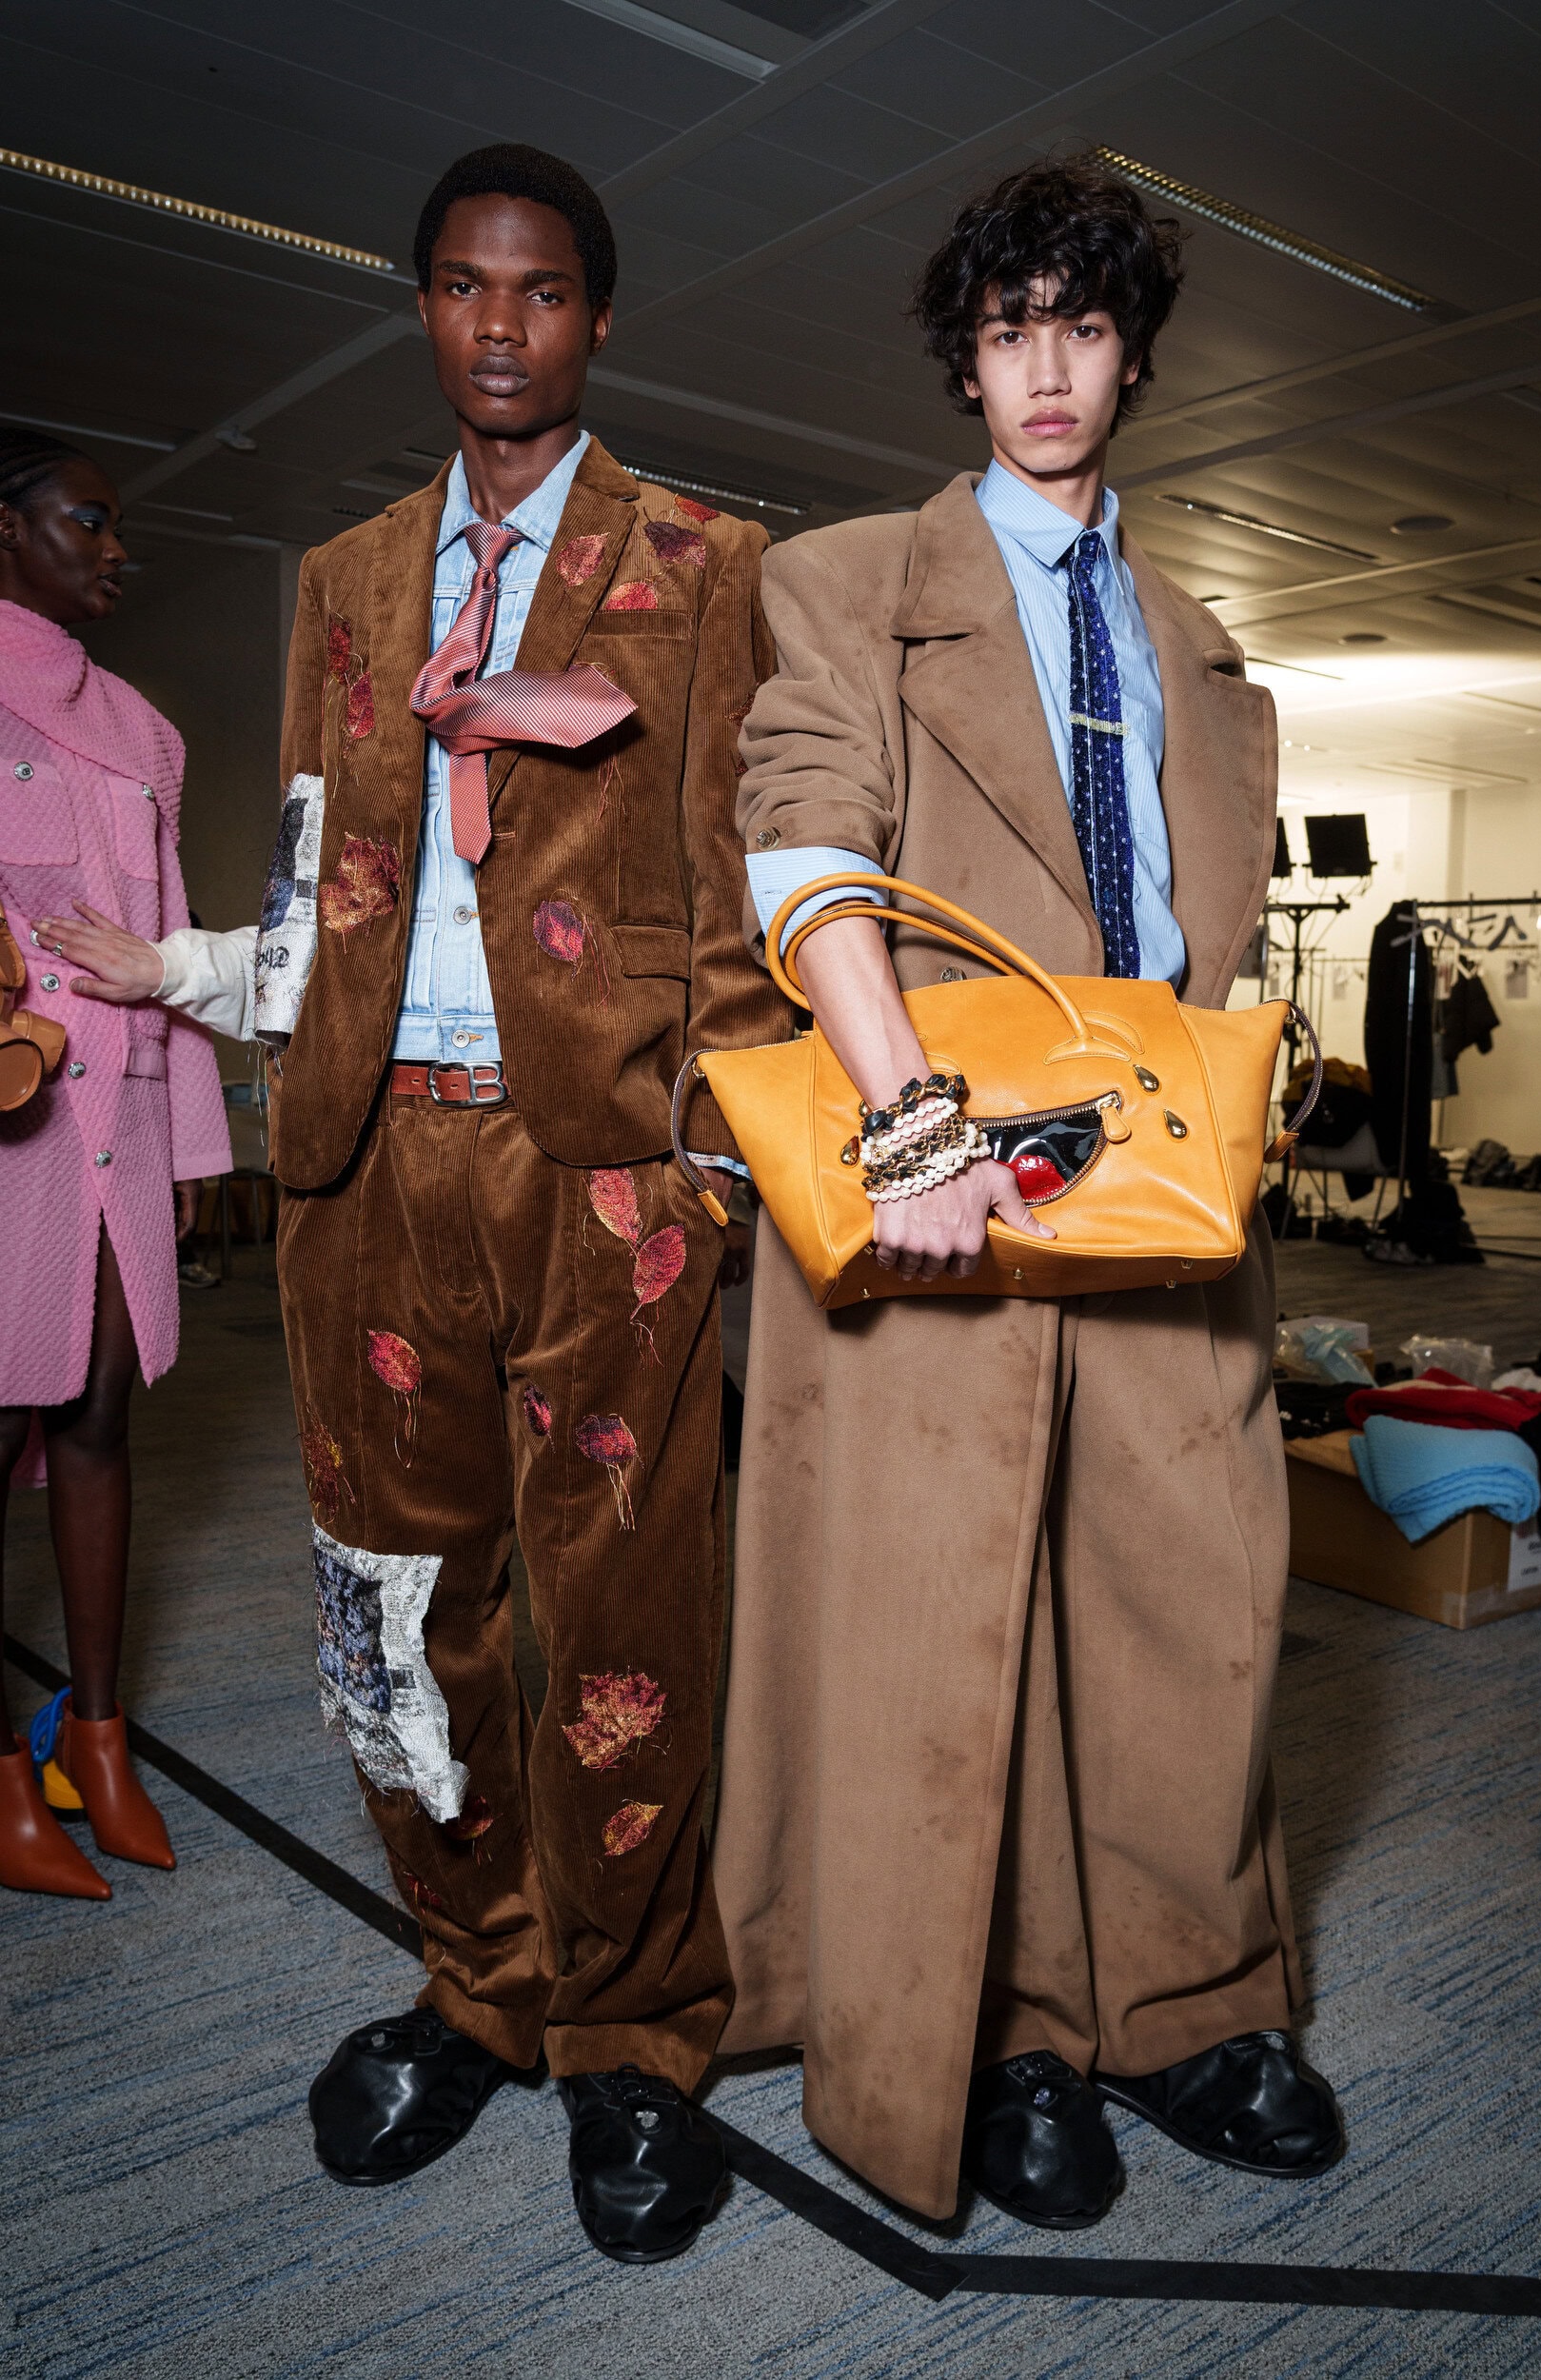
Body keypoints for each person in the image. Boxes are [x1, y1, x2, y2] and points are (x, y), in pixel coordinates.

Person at [711, 156, 1343, 2226]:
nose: (1043, 369)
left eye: (1079, 326)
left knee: (1187, 1599)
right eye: (1006, 332)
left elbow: (1185, 924)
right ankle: (980, 2030)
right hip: (933, 1164)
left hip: (1152, 1163)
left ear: (1131, 353)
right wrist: (907, 1126)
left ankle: (1182, 1999)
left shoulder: (1198, 641)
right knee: (934, 1617)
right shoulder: (840, 581)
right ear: (961, 362)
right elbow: (803, 849)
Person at [248, 144, 784, 2263]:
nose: (499, 324)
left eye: (541, 292)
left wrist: (710, 1170)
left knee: (623, 1626)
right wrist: (275, 1074)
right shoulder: (346, 577)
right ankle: (474, 1972)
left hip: (604, 1177)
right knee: (390, 1603)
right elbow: (311, 867)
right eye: (463, 288)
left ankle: (633, 2025)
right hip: (374, 1156)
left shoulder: (703, 559)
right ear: (419, 308)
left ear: (595, 319)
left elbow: (738, 882)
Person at [0, 428, 231, 1901]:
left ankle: (98, 1738)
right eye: (88, 521)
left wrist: (196, 1133)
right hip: (10, 1116)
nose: (115, 547)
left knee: (97, 1417)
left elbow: (171, 933)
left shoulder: (149, 732)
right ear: (8, 530)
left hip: (126, 1112)